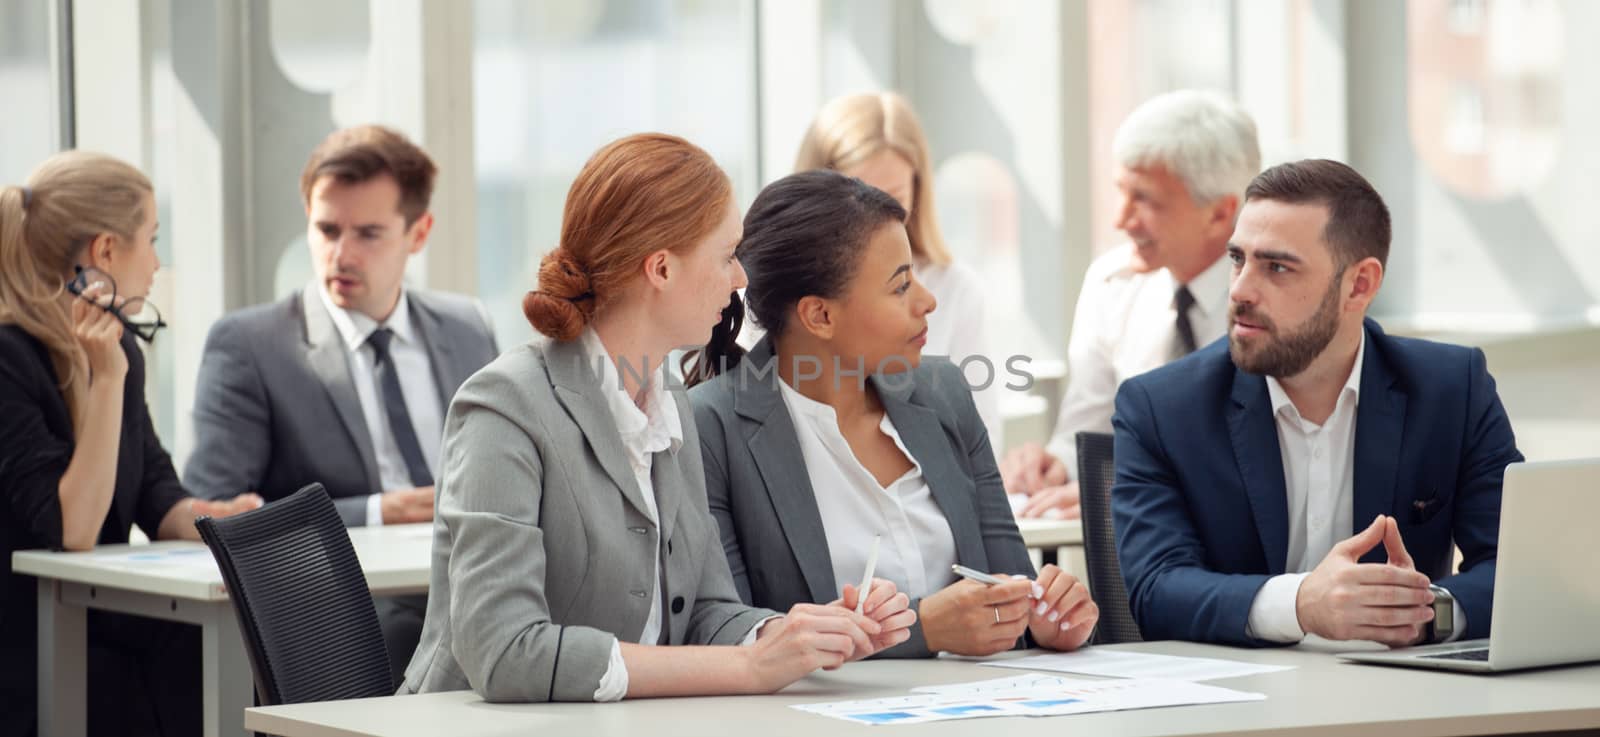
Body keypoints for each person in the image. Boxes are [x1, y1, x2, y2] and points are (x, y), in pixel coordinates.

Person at [401, 134, 914, 702]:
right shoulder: (504, 408)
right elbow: (506, 652)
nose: (741, 278)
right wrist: (749, 669)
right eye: (725, 255)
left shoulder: (666, 401)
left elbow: (704, 610)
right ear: (662, 269)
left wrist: (796, 636)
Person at [688, 170, 1098, 658]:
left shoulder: (943, 394)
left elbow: (1013, 587)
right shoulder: (710, 427)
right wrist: (923, 629)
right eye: (901, 286)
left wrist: (1048, 619)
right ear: (820, 316)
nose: (928, 301)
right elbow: (734, 632)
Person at [1112, 159, 1521, 647]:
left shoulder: (1452, 389)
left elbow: (1519, 566)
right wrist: (1302, 603)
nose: (1240, 290)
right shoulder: (1161, 407)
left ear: (1360, 285)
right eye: (1238, 259)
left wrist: (1426, 612)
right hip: (1239, 702)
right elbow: (1156, 591)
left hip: (1402, 697)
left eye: (1277, 267)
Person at [184, 125, 499, 680]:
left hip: (475, 579)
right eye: (326, 230)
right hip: (344, 603)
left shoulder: (468, 327)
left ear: (418, 232)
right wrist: (377, 510)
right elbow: (215, 509)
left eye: (368, 234)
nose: (341, 254)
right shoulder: (250, 345)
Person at [1, 152, 260, 737]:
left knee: (237, 646)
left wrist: (216, 518)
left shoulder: (119, 353)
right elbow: (71, 528)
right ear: (106, 253)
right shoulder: (9, 357)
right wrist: (108, 378)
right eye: (152, 239)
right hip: (33, 639)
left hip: (97, 622)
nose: (157, 263)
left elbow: (151, 490)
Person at [1001, 90, 1260, 518]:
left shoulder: (1274, 302)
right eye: (1122, 192)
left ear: (1219, 214)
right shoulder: (1110, 285)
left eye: (1145, 200)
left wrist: (1127, 486)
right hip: (1138, 562)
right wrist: (1054, 464)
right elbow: (1087, 433)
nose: (1121, 220)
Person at [750, 92, 1006, 452]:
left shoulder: (957, 289)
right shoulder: (767, 297)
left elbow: (981, 438)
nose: (878, 218)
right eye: (858, 197)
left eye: (893, 197)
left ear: (918, 188)